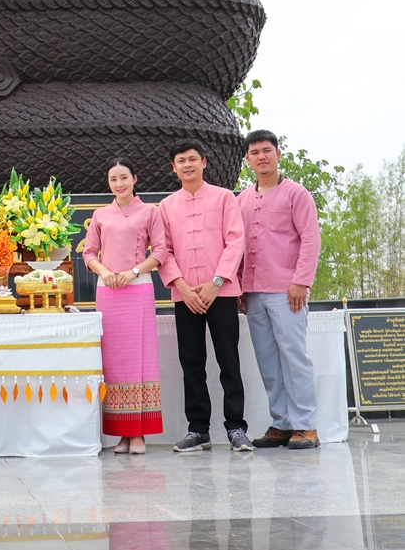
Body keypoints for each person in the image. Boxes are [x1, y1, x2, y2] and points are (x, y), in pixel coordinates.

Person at [159, 141, 251, 453]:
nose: (187, 165)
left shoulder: (225, 198)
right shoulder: (166, 206)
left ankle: (236, 428)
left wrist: (215, 282)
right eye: (181, 161)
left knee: (229, 360)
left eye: (193, 159)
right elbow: (163, 251)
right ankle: (198, 430)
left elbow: (235, 241)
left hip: (221, 292)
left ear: (204, 163)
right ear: (174, 168)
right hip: (184, 295)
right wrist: (183, 288)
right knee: (191, 362)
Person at [238, 128, 322, 450]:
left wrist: (301, 281)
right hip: (253, 293)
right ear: (247, 159)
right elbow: (239, 245)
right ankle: (282, 423)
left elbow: (310, 239)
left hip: (288, 291)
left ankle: (306, 425)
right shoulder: (243, 199)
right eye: (255, 152)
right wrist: (240, 285)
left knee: (294, 357)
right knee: (268, 361)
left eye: (267, 151)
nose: (261, 157)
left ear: (278, 154)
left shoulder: (296, 194)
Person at [82, 159, 165, 454]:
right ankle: (121, 433)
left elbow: (161, 251)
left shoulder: (149, 212)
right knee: (114, 362)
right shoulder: (100, 214)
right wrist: (104, 272)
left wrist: (133, 271)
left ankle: (139, 433)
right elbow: (89, 252)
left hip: (138, 289)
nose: (119, 184)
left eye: (124, 178)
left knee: (139, 359)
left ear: (135, 179)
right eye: (113, 179)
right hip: (108, 292)